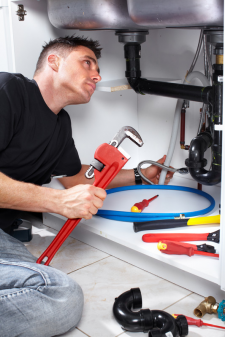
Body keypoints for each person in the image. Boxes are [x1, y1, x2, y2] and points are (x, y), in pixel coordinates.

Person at [0, 35, 173, 337]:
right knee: (64, 298)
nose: (97, 75)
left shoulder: (59, 125)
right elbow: (63, 194)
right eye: (87, 62)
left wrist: (141, 174)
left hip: (3, 241)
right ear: (54, 61)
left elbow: (79, 178)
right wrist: (56, 202)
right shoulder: (9, 91)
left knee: (48, 288)